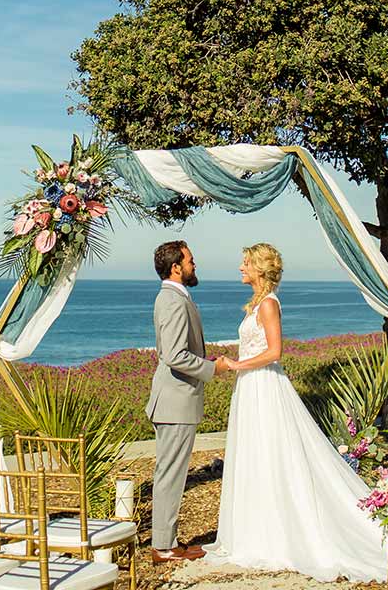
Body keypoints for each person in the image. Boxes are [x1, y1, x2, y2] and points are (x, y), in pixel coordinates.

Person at [202, 243, 388, 581]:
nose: (240, 268)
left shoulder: (269, 304)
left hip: (263, 385)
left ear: (260, 269)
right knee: (255, 455)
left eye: (245, 263)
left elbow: (275, 352)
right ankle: (258, 530)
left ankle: (280, 533)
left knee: (273, 452)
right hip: (250, 387)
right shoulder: (257, 304)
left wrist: (235, 365)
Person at [146, 240, 229, 564]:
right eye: (191, 260)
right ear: (176, 267)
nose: (196, 264)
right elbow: (174, 354)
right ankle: (163, 547)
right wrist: (213, 368)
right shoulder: (171, 301)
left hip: (176, 402)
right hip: (175, 403)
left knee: (172, 474)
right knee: (170, 475)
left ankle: (168, 542)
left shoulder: (176, 298)